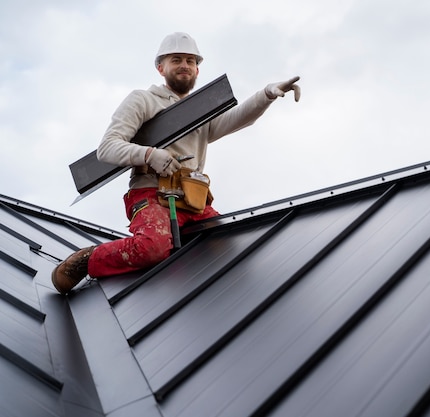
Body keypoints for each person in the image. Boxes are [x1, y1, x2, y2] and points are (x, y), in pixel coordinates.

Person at [51, 32, 300, 294]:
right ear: (161, 68)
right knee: (152, 248)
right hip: (151, 194)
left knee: (227, 242)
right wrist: (150, 155)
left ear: (197, 70)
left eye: (191, 61)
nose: (185, 65)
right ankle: (88, 259)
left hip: (192, 199)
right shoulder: (143, 100)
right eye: (177, 59)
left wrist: (267, 94)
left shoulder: (200, 110)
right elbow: (107, 148)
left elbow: (236, 118)